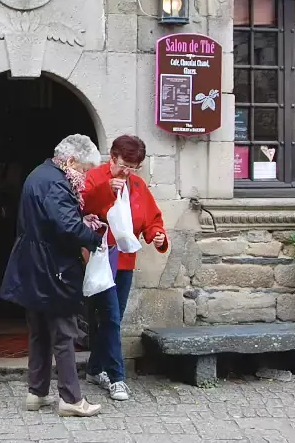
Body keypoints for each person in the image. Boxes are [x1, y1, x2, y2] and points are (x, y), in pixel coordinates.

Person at [0, 134, 106, 417]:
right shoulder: (57, 183)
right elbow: (67, 226)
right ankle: (71, 399)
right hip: (53, 268)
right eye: (84, 170)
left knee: (38, 332)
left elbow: (52, 220)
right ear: (70, 161)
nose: (84, 177)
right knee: (64, 334)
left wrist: (81, 221)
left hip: (33, 265)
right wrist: (95, 239)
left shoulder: (39, 174)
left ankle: (36, 392)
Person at [80, 134, 168, 401]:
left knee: (112, 318)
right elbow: (83, 207)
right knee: (110, 317)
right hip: (100, 258)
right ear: (112, 157)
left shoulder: (138, 185)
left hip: (125, 261)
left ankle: (94, 369)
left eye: (133, 167)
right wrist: (107, 188)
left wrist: (157, 235)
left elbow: (151, 218)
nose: (127, 172)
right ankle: (117, 377)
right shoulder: (94, 177)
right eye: (123, 165)